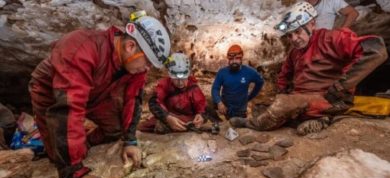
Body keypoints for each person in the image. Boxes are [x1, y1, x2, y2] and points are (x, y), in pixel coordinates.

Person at [29, 11, 171, 178]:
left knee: (115, 129)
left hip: (97, 91)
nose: (147, 69)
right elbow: (68, 109)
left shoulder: (135, 68)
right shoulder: (82, 46)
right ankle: (70, 158)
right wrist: (73, 174)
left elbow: (133, 99)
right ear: (130, 46)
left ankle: (81, 144)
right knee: (57, 153)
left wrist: (130, 140)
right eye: (148, 63)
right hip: (53, 92)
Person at [230, 2, 387, 135]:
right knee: (268, 104)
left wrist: (341, 87)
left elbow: (376, 50)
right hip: (304, 98)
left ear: (312, 25)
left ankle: (253, 125)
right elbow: (285, 74)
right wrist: (282, 91)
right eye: (290, 35)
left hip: (329, 98)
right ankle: (315, 119)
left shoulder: (332, 38)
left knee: (283, 104)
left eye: (297, 32)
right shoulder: (295, 52)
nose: (294, 39)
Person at [139, 53, 207, 133]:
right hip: (168, 116)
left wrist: (201, 115)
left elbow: (202, 106)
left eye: (184, 78)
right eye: (176, 79)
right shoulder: (164, 85)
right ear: (170, 76)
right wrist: (167, 117)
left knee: (190, 123)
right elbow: (154, 103)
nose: (180, 83)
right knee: (143, 126)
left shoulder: (193, 88)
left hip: (187, 119)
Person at [211, 45, 264, 119]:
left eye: (237, 58)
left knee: (236, 123)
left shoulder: (249, 72)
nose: (234, 61)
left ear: (241, 58)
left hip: (240, 111)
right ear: (228, 60)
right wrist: (219, 102)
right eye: (231, 59)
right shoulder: (222, 72)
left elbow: (260, 82)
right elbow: (215, 88)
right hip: (225, 108)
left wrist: (250, 97)